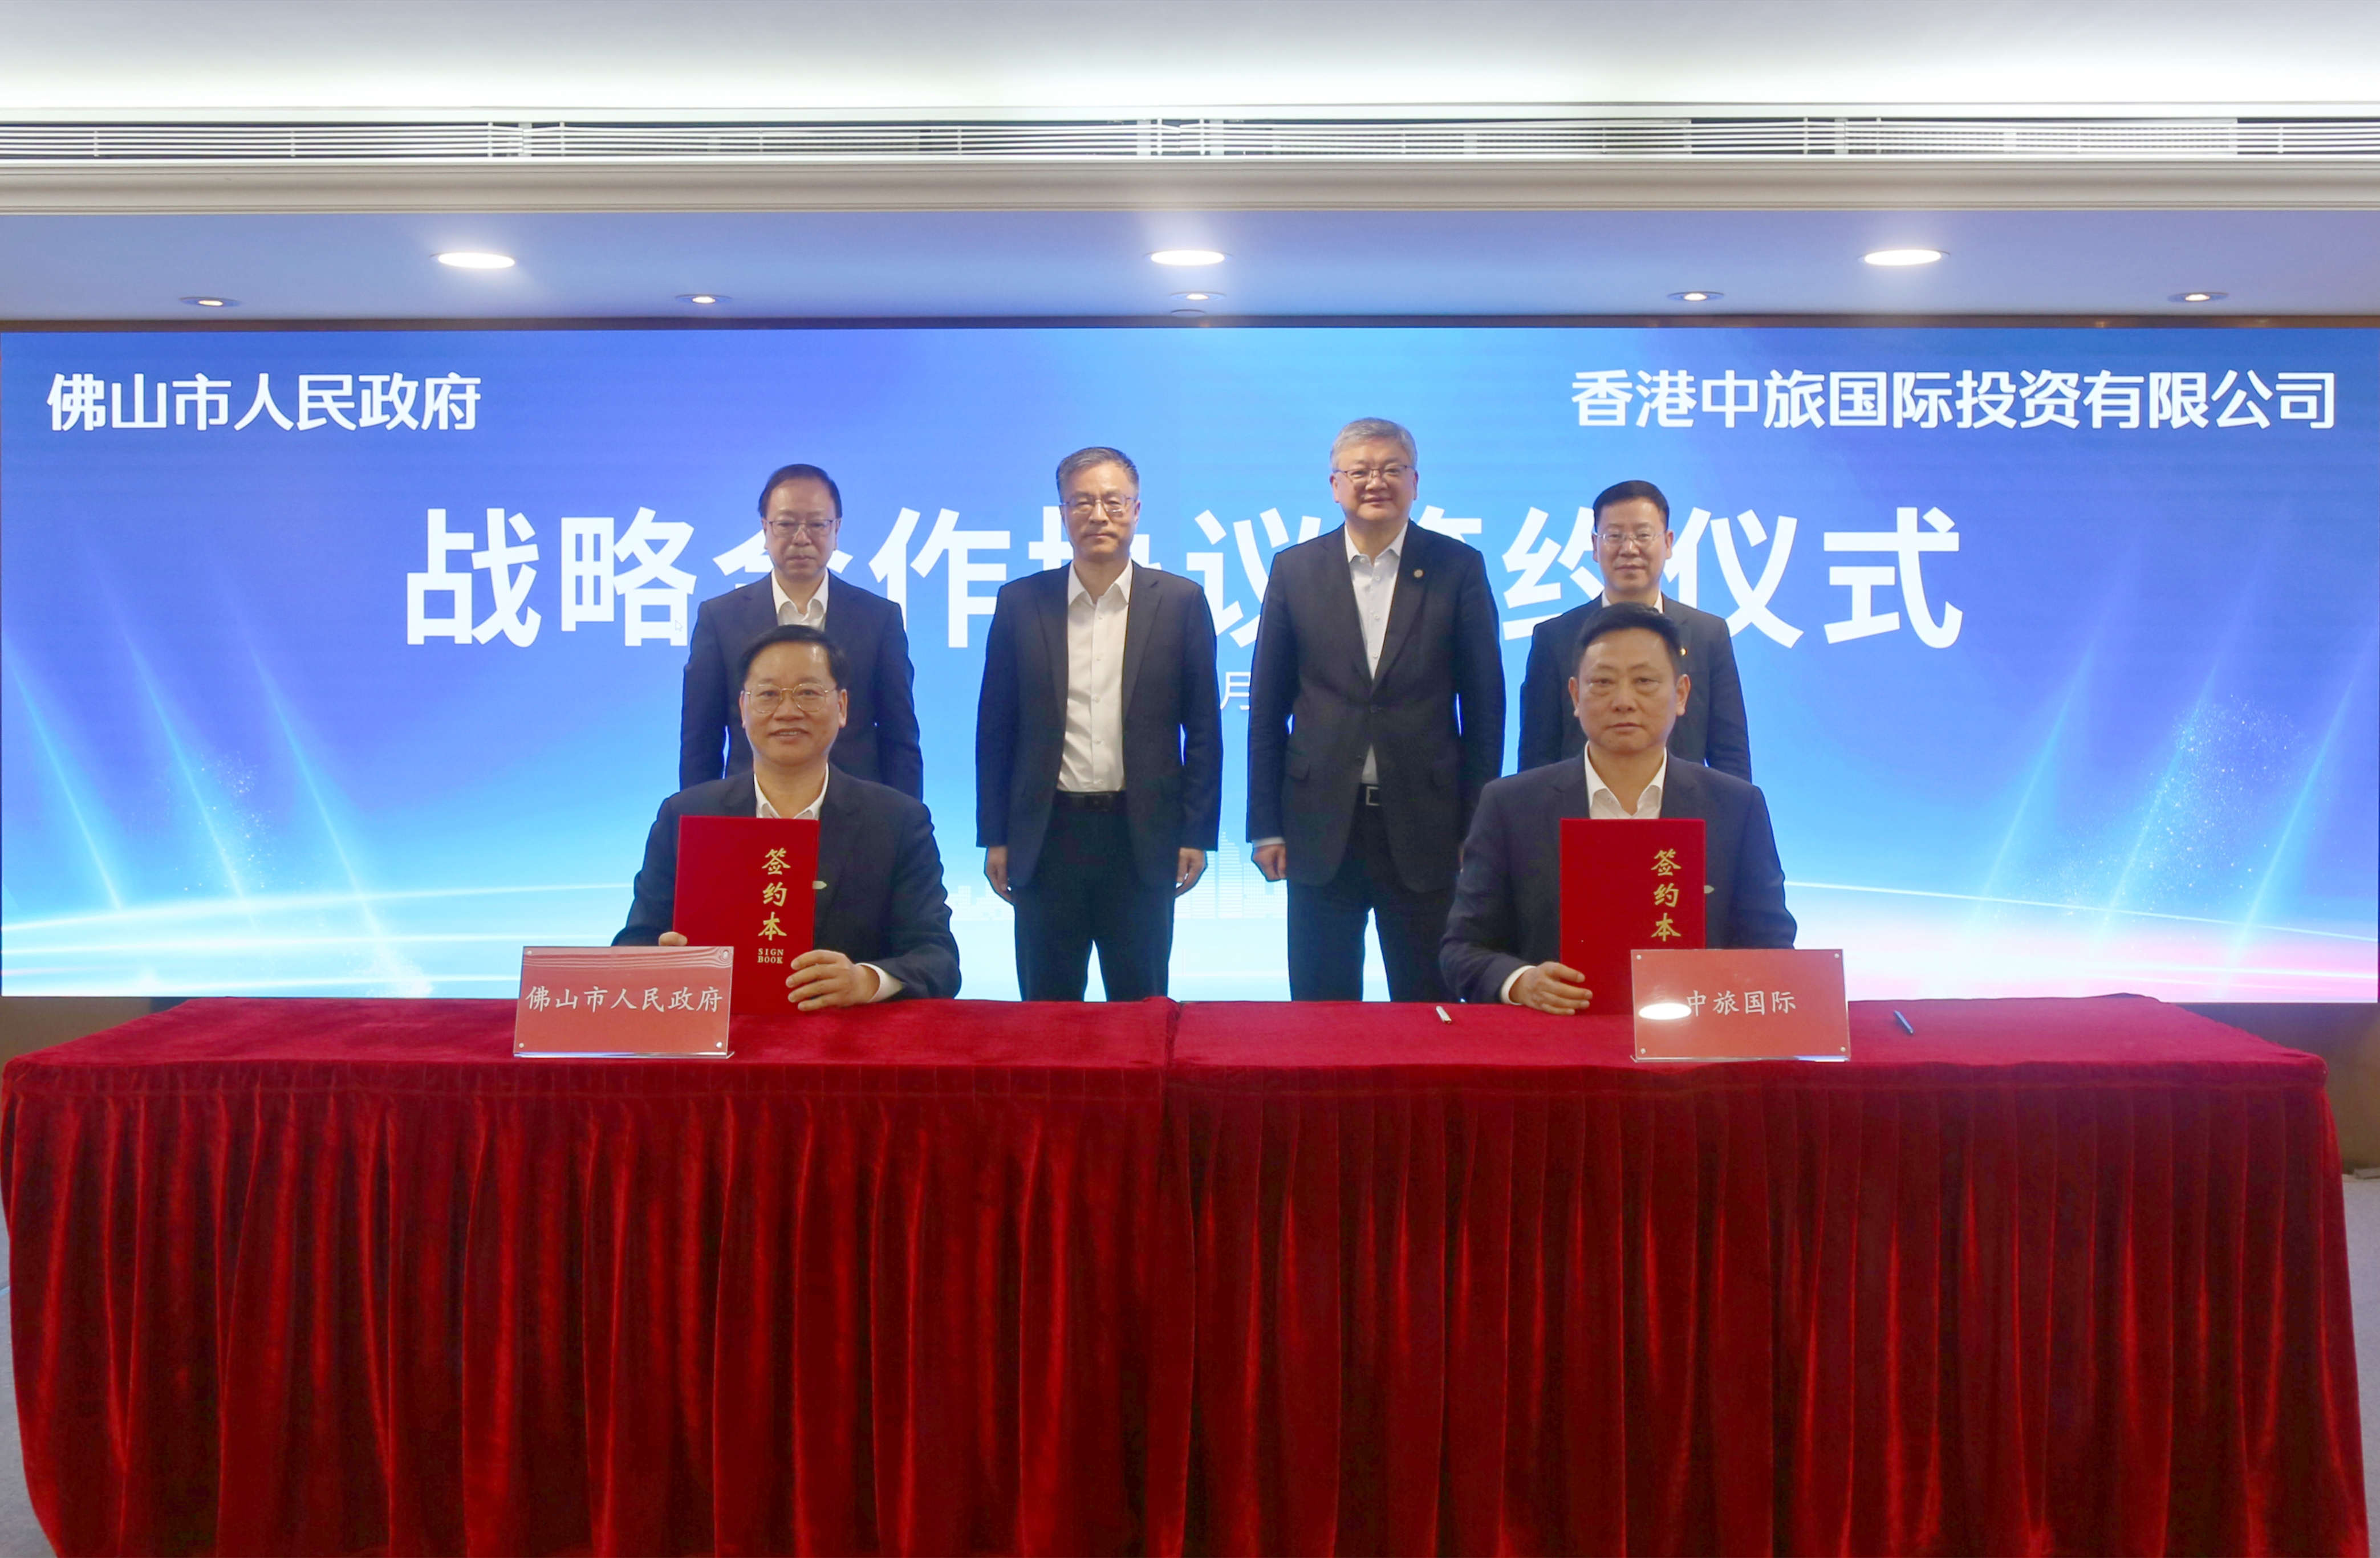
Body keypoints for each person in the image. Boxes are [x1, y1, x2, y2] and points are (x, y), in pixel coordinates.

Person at [1246, 417, 1504, 1001]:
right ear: (1335, 485)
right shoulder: (1295, 569)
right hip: (1318, 823)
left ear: (1415, 482)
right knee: (1321, 1006)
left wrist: (1477, 826)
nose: (1375, 482)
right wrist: (1266, 825)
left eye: (1391, 469)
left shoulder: (1458, 568)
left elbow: (1485, 708)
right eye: (1359, 471)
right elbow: (1267, 709)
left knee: (1429, 1002)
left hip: (1427, 824)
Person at [1441, 603, 1793, 1012]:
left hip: (1691, 1038)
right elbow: (1463, 949)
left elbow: (1772, 947)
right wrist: (1521, 983)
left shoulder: (1737, 807)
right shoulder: (1510, 805)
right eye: (1603, 682)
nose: (1624, 701)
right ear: (1575, 696)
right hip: (1556, 1036)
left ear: (1681, 694)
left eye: (1645, 681)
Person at [974, 447, 1223, 1000]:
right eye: (1082, 502)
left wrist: (1195, 833)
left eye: (1113, 501)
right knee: (1047, 1007)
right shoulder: (1021, 602)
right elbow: (995, 730)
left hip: (1141, 836)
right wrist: (996, 836)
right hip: (1047, 835)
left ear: (1136, 510)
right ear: (1062, 513)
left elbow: (1204, 730)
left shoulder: (1180, 602)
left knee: (1140, 1005)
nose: (1098, 515)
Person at [619, 624, 960, 1006]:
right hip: (722, 1032)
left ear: (842, 707)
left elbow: (938, 958)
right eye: (768, 694)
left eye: (808, 693)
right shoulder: (684, 815)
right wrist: (661, 961)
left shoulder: (898, 820)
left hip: (848, 1036)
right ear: (743, 709)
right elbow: (633, 943)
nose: (787, 711)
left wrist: (865, 981)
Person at [679, 462, 924, 797]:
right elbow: (700, 740)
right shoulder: (720, 618)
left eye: (817, 524)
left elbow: (900, 737)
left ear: (836, 530)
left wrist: (907, 821)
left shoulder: (879, 618)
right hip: (750, 812)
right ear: (765, 529)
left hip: (857, 813)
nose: (801, 538)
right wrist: (697, 819)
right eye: (786, 524)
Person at [1516, 479, 1751, 779]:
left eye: (1643, 535)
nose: (1629, 549)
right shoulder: (1554, 638)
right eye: (1614, 536)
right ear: (1595, 546)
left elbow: (1731, 756)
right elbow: (1536, 762)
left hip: (1683, 807)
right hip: (1581, 807)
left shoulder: (1709, 634)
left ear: (1668, 543)